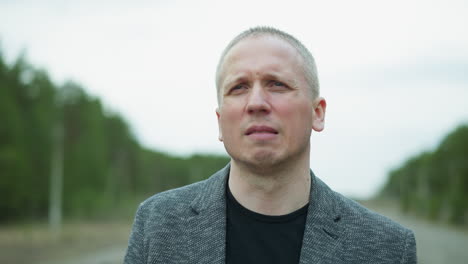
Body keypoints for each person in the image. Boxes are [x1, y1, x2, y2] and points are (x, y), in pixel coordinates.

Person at [124, 26, 417, 264]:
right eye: (239, 88)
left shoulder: (388, 248)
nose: (256, 103)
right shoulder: (159, 223)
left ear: (318, 113)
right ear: (220, 121)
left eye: (277, 84)